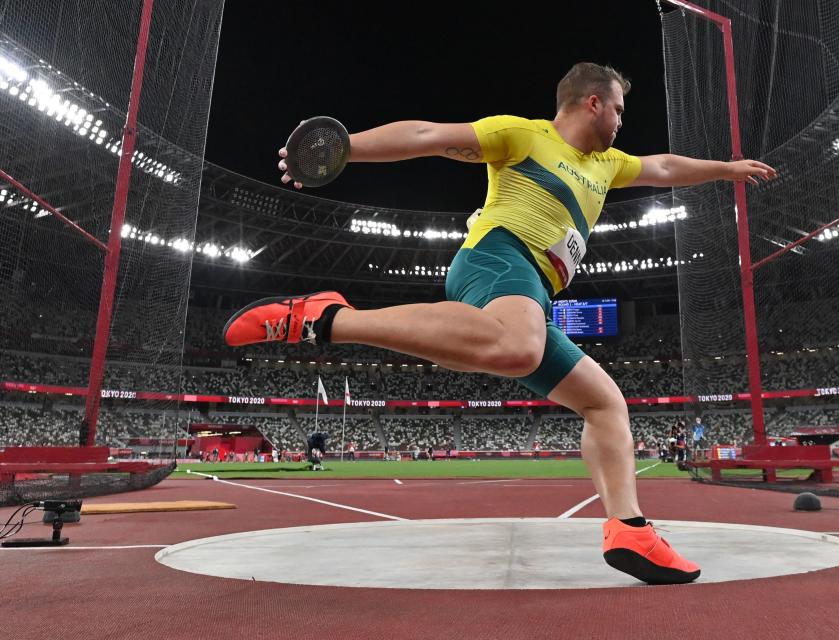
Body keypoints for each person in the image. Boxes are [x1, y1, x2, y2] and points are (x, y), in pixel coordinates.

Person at [224, 62, 775, 585]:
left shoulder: (606, 166)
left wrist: (726, 169)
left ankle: (630, 531)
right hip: (498, 257)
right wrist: (345, 150)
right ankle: (331, 318)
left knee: (605, 402)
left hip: (533, 291)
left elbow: (663, 167)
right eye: (620, 108)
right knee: (519, 348)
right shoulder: (524, 135)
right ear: (593, 102)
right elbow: (428, 136)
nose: (622, 120)